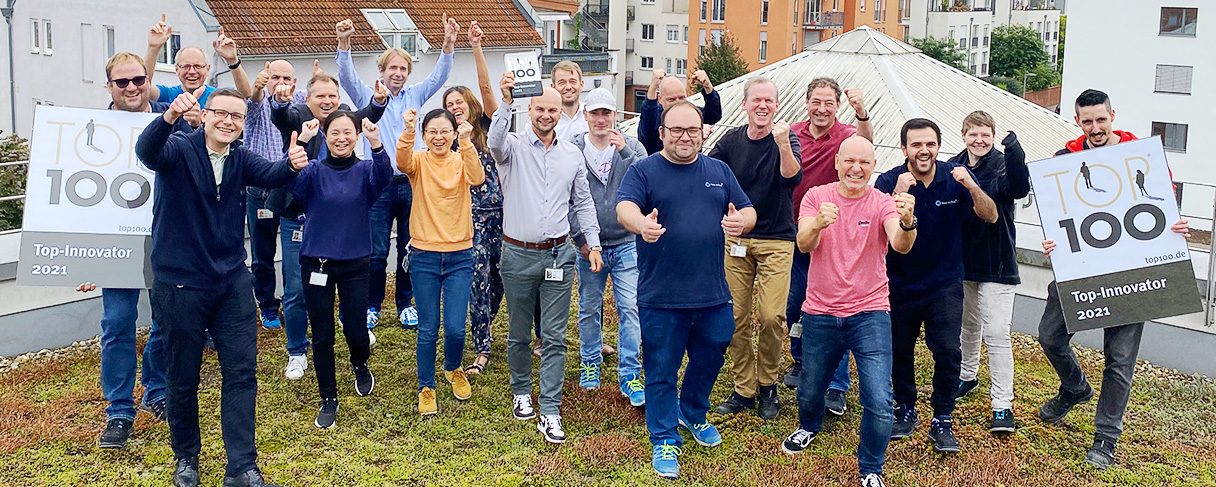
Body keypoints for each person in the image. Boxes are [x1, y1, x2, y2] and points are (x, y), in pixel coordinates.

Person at [136, 88, 307, 487]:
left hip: (231, 283)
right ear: (206, 114)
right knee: (182, 377)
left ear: (244, 123)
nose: (229, 121)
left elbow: (272, 174)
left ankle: (242, 467)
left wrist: (292, 164)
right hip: (180, 284)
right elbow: (147, 152)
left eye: (237, 116)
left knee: (242, 375)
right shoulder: (179, 148)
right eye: (221, 113)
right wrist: (167, 118)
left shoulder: (240, 158)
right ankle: (186, 459)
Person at [1037, 88, 1180, 470]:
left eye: (1101, 119)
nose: (1095, 127)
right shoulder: (1064, 160)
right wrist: (1052, 241)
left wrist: (1176, 225)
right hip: (1079, 271)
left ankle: (1106, 438)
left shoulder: (1143, 156)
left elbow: (1165, 204)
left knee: (1119, 360)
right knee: (1050, 336)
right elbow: (1057, 215)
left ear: (1112, 116)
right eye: (1088, 121)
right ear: (1077, 121)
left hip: (1130, 272)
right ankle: (1075, 388)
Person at [617, 100, 756, 478]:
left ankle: (692, 411)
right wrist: (641, 224)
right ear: (662, 133)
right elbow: (624, 208)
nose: (685, 137)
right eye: (676, 130)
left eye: (692, 130)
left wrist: (741, 222)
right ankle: (664, 438)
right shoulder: (644, 171)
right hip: (661, 296)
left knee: (713, 353)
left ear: (702, 133)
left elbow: (747, 210)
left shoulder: (718, 171)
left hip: (712, 294)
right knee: (661, 368)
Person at [780, 136, 916, 487]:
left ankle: (871, 468)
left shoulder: (882, 202)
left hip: (870, 311)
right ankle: (809, 426)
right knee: (810, 389)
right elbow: (803, 244)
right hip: (820, 311)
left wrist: (907, 222)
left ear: (874, 167)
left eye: (864, 162)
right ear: (838, 162)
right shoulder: (816, 197)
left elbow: (900, 245)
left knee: (879, 398)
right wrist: (817, 224)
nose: (856, 168)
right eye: (850, 161)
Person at [83, 51, 191, 451]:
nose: (131, 88)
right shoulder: (90, 128)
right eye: (122, 82)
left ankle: (156, 390)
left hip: (167, 237)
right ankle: (119, 411)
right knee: (117, 323)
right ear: (108, 86)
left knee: (166, 320)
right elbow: (78, 199)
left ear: (149, 81)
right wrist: (79, 258)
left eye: (138, 80)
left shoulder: (176, 118)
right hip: (116, 241)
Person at [489, 75, 603, 444]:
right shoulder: (512, 148)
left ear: (559, 112)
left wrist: (593, 243)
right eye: (540, 109)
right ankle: (521, 390)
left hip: (558, 255)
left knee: (554, 336)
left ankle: (550, 410)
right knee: (519, 333)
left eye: (552, 110)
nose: (546, 115)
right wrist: (505, 102)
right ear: (530, 109)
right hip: (517, 254)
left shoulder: (572, 154)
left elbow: (583, 203)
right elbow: (493, 141)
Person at [874, 118, 997, 454]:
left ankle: (942, 417)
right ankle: (906, 408)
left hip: (945, 281)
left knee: (947, 349)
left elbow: (990, 216)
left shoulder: (954, 177)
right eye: (916, 144)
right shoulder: (888, 180)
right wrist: (896, 195)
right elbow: (873, 229)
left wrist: (972, 186)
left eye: (930, 144)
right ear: (904, 148)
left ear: (939, 146)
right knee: (899, 349)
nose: (924, 150)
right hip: (899, 282)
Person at [335, 15, 459, 332]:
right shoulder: (368, 95)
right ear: (382, 71)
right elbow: (346, 77)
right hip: (377, 185)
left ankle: (405, 304)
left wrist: (448, 44)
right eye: (393, 68)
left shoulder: (415, 95)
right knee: (377, 251)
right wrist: (344, 43)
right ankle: (372, 305)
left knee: (409, 247)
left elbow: (439, 77)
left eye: (403, 69)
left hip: (411, 183)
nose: (398, 73)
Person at [709, 77, 801, 420]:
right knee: (734, 317)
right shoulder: (730, 141)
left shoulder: (786, 137)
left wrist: (783, 144)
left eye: (769, 101)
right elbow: (708, 174)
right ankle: (744, 388)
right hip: (737, 240)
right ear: (745, 104)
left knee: (772, 316)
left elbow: (793, 178)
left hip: (777, 238)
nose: (762, 106)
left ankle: (768, 384)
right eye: (756, 100)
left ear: (776, 106)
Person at [291, 112, 390, 429]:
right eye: (335, 132)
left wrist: (377, 144)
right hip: (316, 262)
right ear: (325, 135)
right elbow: (291, 184)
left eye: (348, 132)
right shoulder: (314, 170)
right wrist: (302, 142)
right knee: (322, 335)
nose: (341, 138)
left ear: (356, 136)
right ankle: (328, 397)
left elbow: (385, 176)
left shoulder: (365, 170)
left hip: (355, 262)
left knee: (356, 330)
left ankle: (360, 363)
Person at [785, 77, 873, 420]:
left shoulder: (847, 135)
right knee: (796, 302)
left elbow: (865, 145)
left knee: (836, 306)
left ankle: (836, 385)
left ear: (838, 106)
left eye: (829, 103)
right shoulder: (792, 133)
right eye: (816, 102)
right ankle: (801, 359)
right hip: (796, 226)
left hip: (836, 229)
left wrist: (861, 112)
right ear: (807, 103)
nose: (822, 109)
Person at [397, 108, 485, 414]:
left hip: (460, 255)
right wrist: (408, 130)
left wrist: (467, 142)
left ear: (453, 133)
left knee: (456, 327)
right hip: (424, 255)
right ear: (424, 135)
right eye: (432, 131)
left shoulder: (461, 159)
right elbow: (401, 161)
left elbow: (477, 177)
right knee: (428, 327)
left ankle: (453, 367)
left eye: (445, 131)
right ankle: (426, 385)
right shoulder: (419, 161)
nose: (438, 137)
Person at [946, 111, 1028, 434]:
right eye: (973, 134)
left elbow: (1019, 188)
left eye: (985, 135)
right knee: (968, 325)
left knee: (996, 332)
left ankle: (1002, 404)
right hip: (963, 261)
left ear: (993, 137)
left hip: (998, 262)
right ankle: (967, 376)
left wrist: (1014, 148)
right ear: (963, 135)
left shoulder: (1002, 164)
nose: (979, 140)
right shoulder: (953, 165)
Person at [566, 87, 647, 405]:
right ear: (585, 115)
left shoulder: (632, 146)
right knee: (589, 306)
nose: (601, 119)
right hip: (590, 246)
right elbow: (567, 198)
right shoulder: (573, 148)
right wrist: (582, 240)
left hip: (626, 242)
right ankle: (590, 363)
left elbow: (647, 181)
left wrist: (625, 152)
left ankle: (630, 373)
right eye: (595, 113)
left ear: (615, 115)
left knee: (630, 307)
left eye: (607, 113)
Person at [442, 21, 501, 377]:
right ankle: (482, 347)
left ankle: (485, 323)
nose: (454, 107)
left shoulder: (491, 128)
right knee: (478, 281)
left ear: (470, 104)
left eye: (458, 101)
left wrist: (476, 46)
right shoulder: (447, 141)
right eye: (448, 104)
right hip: (472, 217)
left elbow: (487, 88)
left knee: (501, 280)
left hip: (505, 214)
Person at [243, 59, 310, 376]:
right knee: (263, 253)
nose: (281, 82)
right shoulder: (258, 104)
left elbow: (321, 101)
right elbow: (253, 99)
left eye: (287, 77)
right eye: (275, 76)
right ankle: (268, 305)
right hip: (260, 190)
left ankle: (292, 302)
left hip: (289, 191)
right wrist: (257, 87)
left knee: (293, 255)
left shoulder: (299, 102)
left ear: (295, 81)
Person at [143, 14, 251, 111]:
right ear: (177, 70)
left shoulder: (216, 97)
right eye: (186, 66)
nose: (192, 71)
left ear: (207, 69)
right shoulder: (168, 95)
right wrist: (153, 48)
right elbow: (143, 87)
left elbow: (245, 94)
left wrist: (232, 60)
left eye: (198, 66)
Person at [637, 69, 722, 155]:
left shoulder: (691, 113)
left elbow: (713, 115)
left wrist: (707, 86)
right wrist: (653, 89)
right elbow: (648, 125)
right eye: (671, 100)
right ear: (660, 99)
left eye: (682, 98)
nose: (677, 103)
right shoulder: (655, 117)